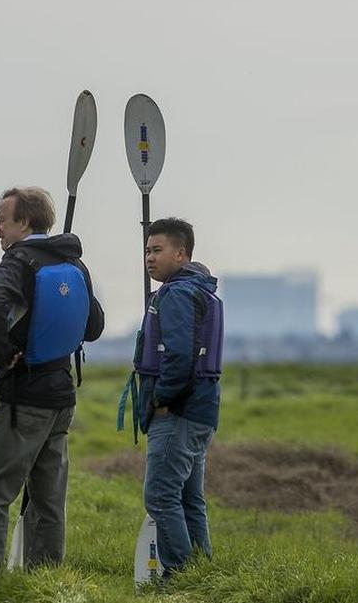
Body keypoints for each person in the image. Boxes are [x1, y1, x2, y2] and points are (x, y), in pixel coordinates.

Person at [0, 186, 104, 574]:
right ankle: (45, 582)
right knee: (48, 502)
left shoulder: (17, 264)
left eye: (2, 219)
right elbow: (94, 327)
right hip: (61, 399)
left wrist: (4, 352)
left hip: (21, 400)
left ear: (24, 223)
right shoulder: (75, 265)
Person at [132, 217, 223, 574]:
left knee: (160, 496)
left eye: (157, 250)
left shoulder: (177, 294)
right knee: (189, 499)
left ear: (181, 254)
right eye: (147, 251)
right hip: (202, 410)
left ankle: (181, 576)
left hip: (178, 412)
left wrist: (161, 399)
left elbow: (180, 355)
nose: (149, 258)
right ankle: (203, 573)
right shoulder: (201, 290)